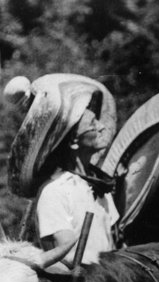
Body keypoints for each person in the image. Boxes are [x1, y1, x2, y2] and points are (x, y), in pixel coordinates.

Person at [34, 92, 119, 266]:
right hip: (86, 280)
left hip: (110, 278)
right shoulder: (55, 191)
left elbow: (114, 244)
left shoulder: (98, 184)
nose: (101, 127)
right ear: (73, 141)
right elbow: (68, 258)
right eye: (92, 123)